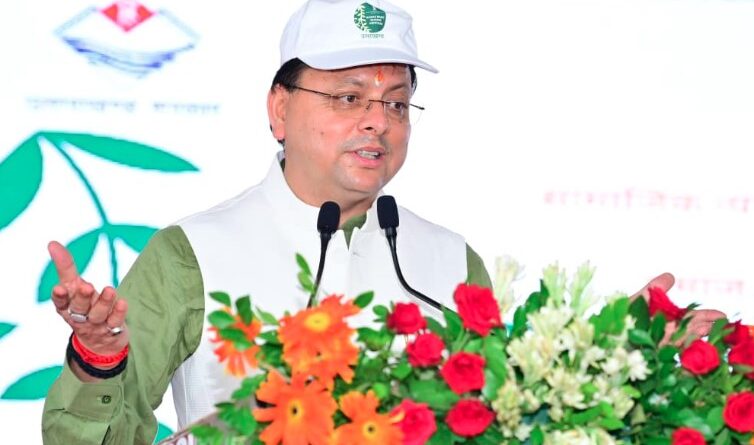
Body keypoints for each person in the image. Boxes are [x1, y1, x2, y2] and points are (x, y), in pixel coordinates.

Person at [41, 1, 725, 444]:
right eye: (348, 97)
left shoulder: (450, 261)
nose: (377, 121)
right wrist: (98, 357)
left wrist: (619, 356)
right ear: (279, 109)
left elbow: (506, 417)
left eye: (396, 103)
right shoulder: (192, 252)